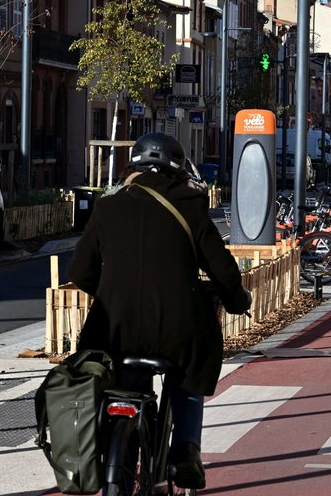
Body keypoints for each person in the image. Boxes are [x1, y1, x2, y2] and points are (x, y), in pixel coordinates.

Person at [68, 132, 252, 489]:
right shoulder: (189, 202)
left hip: (114, 331)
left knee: (120, 381)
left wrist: (111, 294)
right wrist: (237, 299)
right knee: (188, 371)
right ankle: (185, 450)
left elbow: (79, 272)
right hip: (174, 330)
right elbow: (221, 268)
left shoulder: (108, 205)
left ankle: (117, 451)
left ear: (132, 166)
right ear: (178, 170)